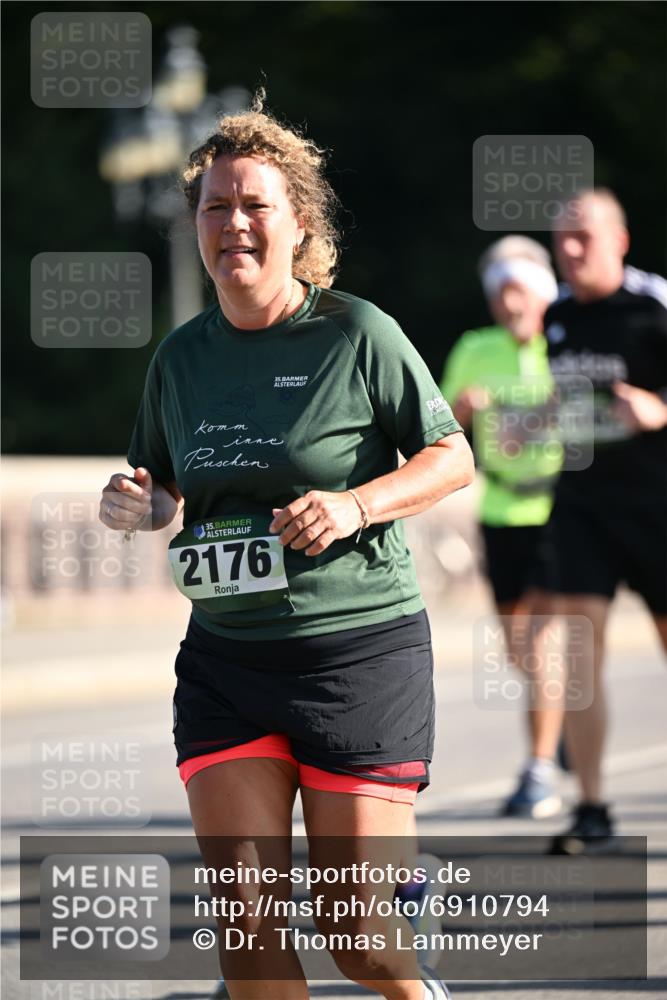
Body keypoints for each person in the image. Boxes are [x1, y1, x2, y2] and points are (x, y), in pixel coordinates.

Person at [99, 96, 474, 1000]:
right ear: (194, 224)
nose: (233, 223)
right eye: (214, 206)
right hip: (227, 663)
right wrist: (135, 504)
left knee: (360, 942)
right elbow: (163, 489)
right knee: (247, 931)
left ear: (296, 222)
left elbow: (452, 456)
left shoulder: (355, 332)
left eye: (254, 205)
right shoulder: (180, 357)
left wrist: (354, 505)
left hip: (357, 660)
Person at [545, 189, 667, 854]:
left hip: (657, 507)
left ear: (618, 242)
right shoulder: (555, 313)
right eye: (560, 239)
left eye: (582, 238)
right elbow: (567, 396)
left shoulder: (653, 305)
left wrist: (657, 409)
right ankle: (589, 806)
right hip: (583, 507)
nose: (568, 251)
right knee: (576, 660)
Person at [439, 236, 564, 818]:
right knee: (519, 646)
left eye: (521, 293)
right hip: (500, 510)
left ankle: (539, 772)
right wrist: (462, 409)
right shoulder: (473, 347)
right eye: (502, 295)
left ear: (540, 295)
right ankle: (555, 720)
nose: (511, 305)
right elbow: (435, 431)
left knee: (542, 644)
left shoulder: (563, 344)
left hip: (561, 510)